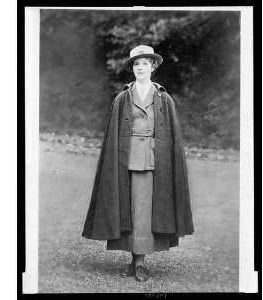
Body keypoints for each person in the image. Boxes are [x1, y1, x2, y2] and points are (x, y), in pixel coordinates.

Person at [82, 45, 194, 282]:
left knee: (144, 212)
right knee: (129, 209)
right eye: (136, 63)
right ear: (132, 68)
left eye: (145, 63)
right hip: (126, 159)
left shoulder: (164, 98)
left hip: (155, 161)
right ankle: (135, 259)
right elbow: (114, 135)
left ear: (153, 67)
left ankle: (139, 261)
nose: (140, 67)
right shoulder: (122, 98)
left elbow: (171, 137)